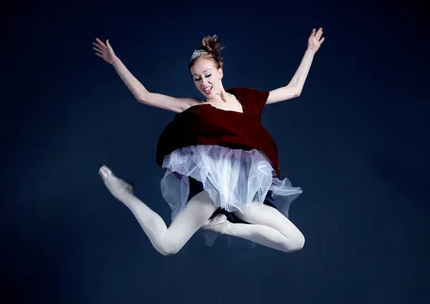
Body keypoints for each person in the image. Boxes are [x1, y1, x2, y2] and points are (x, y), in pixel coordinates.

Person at [93, 28, 325, 256]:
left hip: (243, 197)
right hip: (213, 192)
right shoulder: (196, 107)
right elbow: (143, 95)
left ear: (220, 71)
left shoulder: (246, 100)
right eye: (197, 79)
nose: (204, 83)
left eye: (208, 75)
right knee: (167, 246)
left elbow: (293, 90)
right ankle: (125, 195)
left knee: (296, 241)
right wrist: (115, 61)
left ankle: (225, 226)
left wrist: (311, 51)